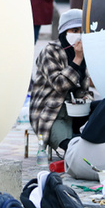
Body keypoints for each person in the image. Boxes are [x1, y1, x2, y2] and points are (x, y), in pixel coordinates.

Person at [30, 9, 91, 152]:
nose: (79, 35)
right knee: (70, 148)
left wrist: (85, 98)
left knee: (103, 111)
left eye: (82, 31)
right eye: (75, 30)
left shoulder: (86, 51)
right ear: (65, 32)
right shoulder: (51, 51)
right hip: (51, 112)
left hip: (75, 109)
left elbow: (84, 88)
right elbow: (59, 84)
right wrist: (77, 59)